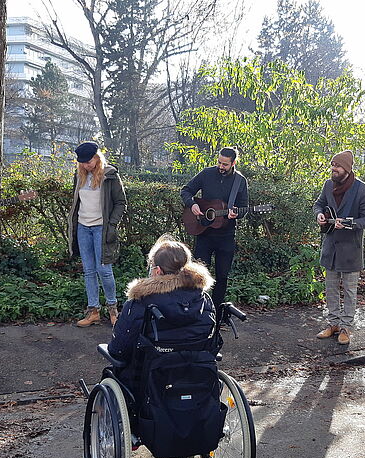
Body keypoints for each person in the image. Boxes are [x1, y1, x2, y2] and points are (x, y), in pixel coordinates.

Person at [108, 234, 216, 389]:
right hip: (195, 377)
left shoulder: (141, 301)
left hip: (149, 382)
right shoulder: (203, 298)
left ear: (157, 270)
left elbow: (118, 349)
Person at [313, 150, 365, 345]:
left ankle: (346, 328)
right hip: (330, 248)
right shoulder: (328, 185)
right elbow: (319, 204)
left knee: (349, 291)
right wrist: (319, 215)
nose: (333, 169)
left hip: (351, 250)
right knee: (330, 289)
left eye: (337, 166)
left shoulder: (363, 190)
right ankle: (333, 324)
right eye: (332, 165)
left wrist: (349, 224)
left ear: (347, 169)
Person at [68, 141, 127, 327]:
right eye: (82, 162)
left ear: (96, 157)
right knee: (88, 271)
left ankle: (113, 309)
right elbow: (77, 203)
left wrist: (111, 224)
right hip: (83, 228)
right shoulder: (79, 176)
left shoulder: (110, 176)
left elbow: (121, 202)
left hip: (102, 228)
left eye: (88, 161)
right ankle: (93, 311)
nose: (85, 165)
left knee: (104, 270)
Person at [180, 146, 248, 306]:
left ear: (233, 163)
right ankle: (195, 310)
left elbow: (244, 208)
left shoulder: (240, 181)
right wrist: (192, 204)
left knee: (222, 276)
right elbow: (186, 190)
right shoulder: (207, 174)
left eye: (225, 164)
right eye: (219, 162)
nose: (221, 166)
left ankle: (216, 314)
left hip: (226, 237)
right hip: (204, 234)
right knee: (197, 275)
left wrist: (236, 213)